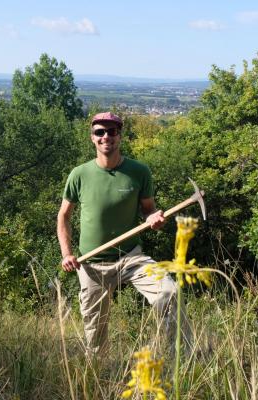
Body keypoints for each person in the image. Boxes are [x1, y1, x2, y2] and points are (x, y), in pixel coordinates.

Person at [57, 111, 182, 355]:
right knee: (95, 336)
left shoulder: (139, 172)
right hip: (91, 263)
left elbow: (148, 210)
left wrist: (153, 218)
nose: (106, 137)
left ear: (119, 136)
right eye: (100, 132)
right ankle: (96, 380)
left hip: (130, 257)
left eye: (112, 131)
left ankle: (178, 356)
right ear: (92, 138)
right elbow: (64, 215)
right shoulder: (79, 174)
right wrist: (67, 253)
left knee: (169, 292)